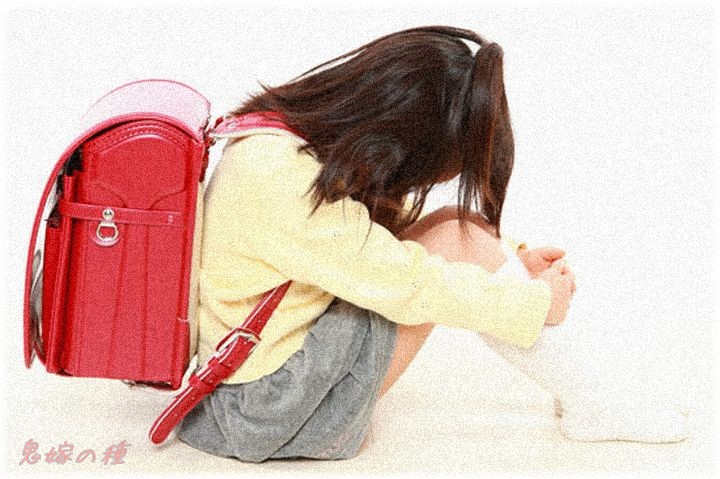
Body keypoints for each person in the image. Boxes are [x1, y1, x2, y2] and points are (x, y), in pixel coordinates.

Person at [177, 26, 686, 462]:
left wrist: (509, 262)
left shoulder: (273, 145)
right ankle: (595, 399)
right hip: (266, 409)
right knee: (450, 249)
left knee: (455, 229)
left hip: (260, 387)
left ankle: (593, 394)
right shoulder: (281, 183)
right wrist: (533, 303)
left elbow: (361, 242)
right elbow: (411, 285)